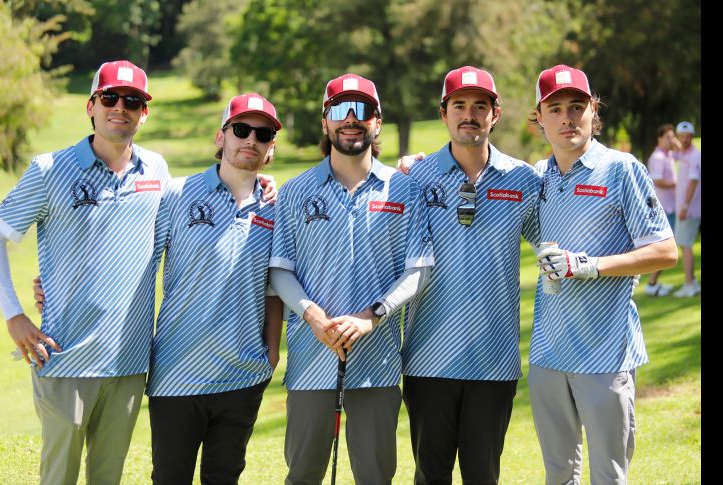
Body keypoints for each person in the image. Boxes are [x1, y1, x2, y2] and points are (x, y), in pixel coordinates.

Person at [0, 60, 170, 485]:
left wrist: (260, 179)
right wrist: (14, 315)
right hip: (64, 359)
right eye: (110, 98)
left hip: (129, 362)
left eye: (133, 100)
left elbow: (202, 206)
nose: (121, 107)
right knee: (58, 478)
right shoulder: (50, 170)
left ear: (144, 112)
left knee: (108, 477)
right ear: (91, 106)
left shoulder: (156, 171)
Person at [268, 73, 434, 485]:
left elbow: (420, 269)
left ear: (377, 122)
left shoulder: (405, 191)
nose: (351, 119)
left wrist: (372, 316)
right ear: (325, 121)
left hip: (376, 365)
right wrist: (313, 317)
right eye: (340, 110)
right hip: (310, 362)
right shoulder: (295, 191)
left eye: (363, 111)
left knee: (375, 476)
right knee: (303, 473)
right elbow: (280, 270)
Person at [529, 64, 677, 484]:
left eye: (577, 106)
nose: (567, 118)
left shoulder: (621, 169)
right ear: (539, 117)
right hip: (547, 354)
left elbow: (665, 250)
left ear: (594, 110)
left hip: (604, 355)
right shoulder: (537, 177)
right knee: (558, 473)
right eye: (554, 108)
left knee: (608, 475)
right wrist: (419, 164)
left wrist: (591, 266)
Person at [400, 66, 542, 484]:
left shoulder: (523, 180)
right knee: (430, 476)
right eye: (459, 105)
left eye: (480, 106)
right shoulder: (414, 178)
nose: (470, 115)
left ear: (495, 115)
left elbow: (554, 240)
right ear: (443, 114)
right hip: (428, 359)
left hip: (493, 362)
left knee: (483, 476)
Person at [145, 93, 284, 484]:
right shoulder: (176, 194)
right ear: (220, 137)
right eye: (241, 129)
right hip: (176, 373)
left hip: (242, 376)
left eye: (263, 133)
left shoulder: (277, 208)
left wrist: (271, 352)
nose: (251, 140)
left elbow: (275, 287)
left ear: (271, 147)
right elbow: (139, 265)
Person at [644, 123, 680, 296]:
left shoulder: (669, 154)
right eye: (668, 137)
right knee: (666, 249)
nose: (671, 140)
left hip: (671, 206)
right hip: (663, 208)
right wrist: (676, 184)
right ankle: (651, 284)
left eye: (673, 137)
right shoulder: (658, 157)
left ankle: (654, 283)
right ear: (659, 138)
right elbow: (656, 180)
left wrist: (677, 144)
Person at [672, 121, 701, 297]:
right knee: (684, 245)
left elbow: (693, 182)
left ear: (691, 137)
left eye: (687, 136)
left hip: (689, 209)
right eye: (681, 137)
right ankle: (694, 283)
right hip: (685, 209)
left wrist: (684, 206)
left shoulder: (694, 156)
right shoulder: (683, 154)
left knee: (686, 245)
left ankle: (689, 285)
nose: (684, 139)